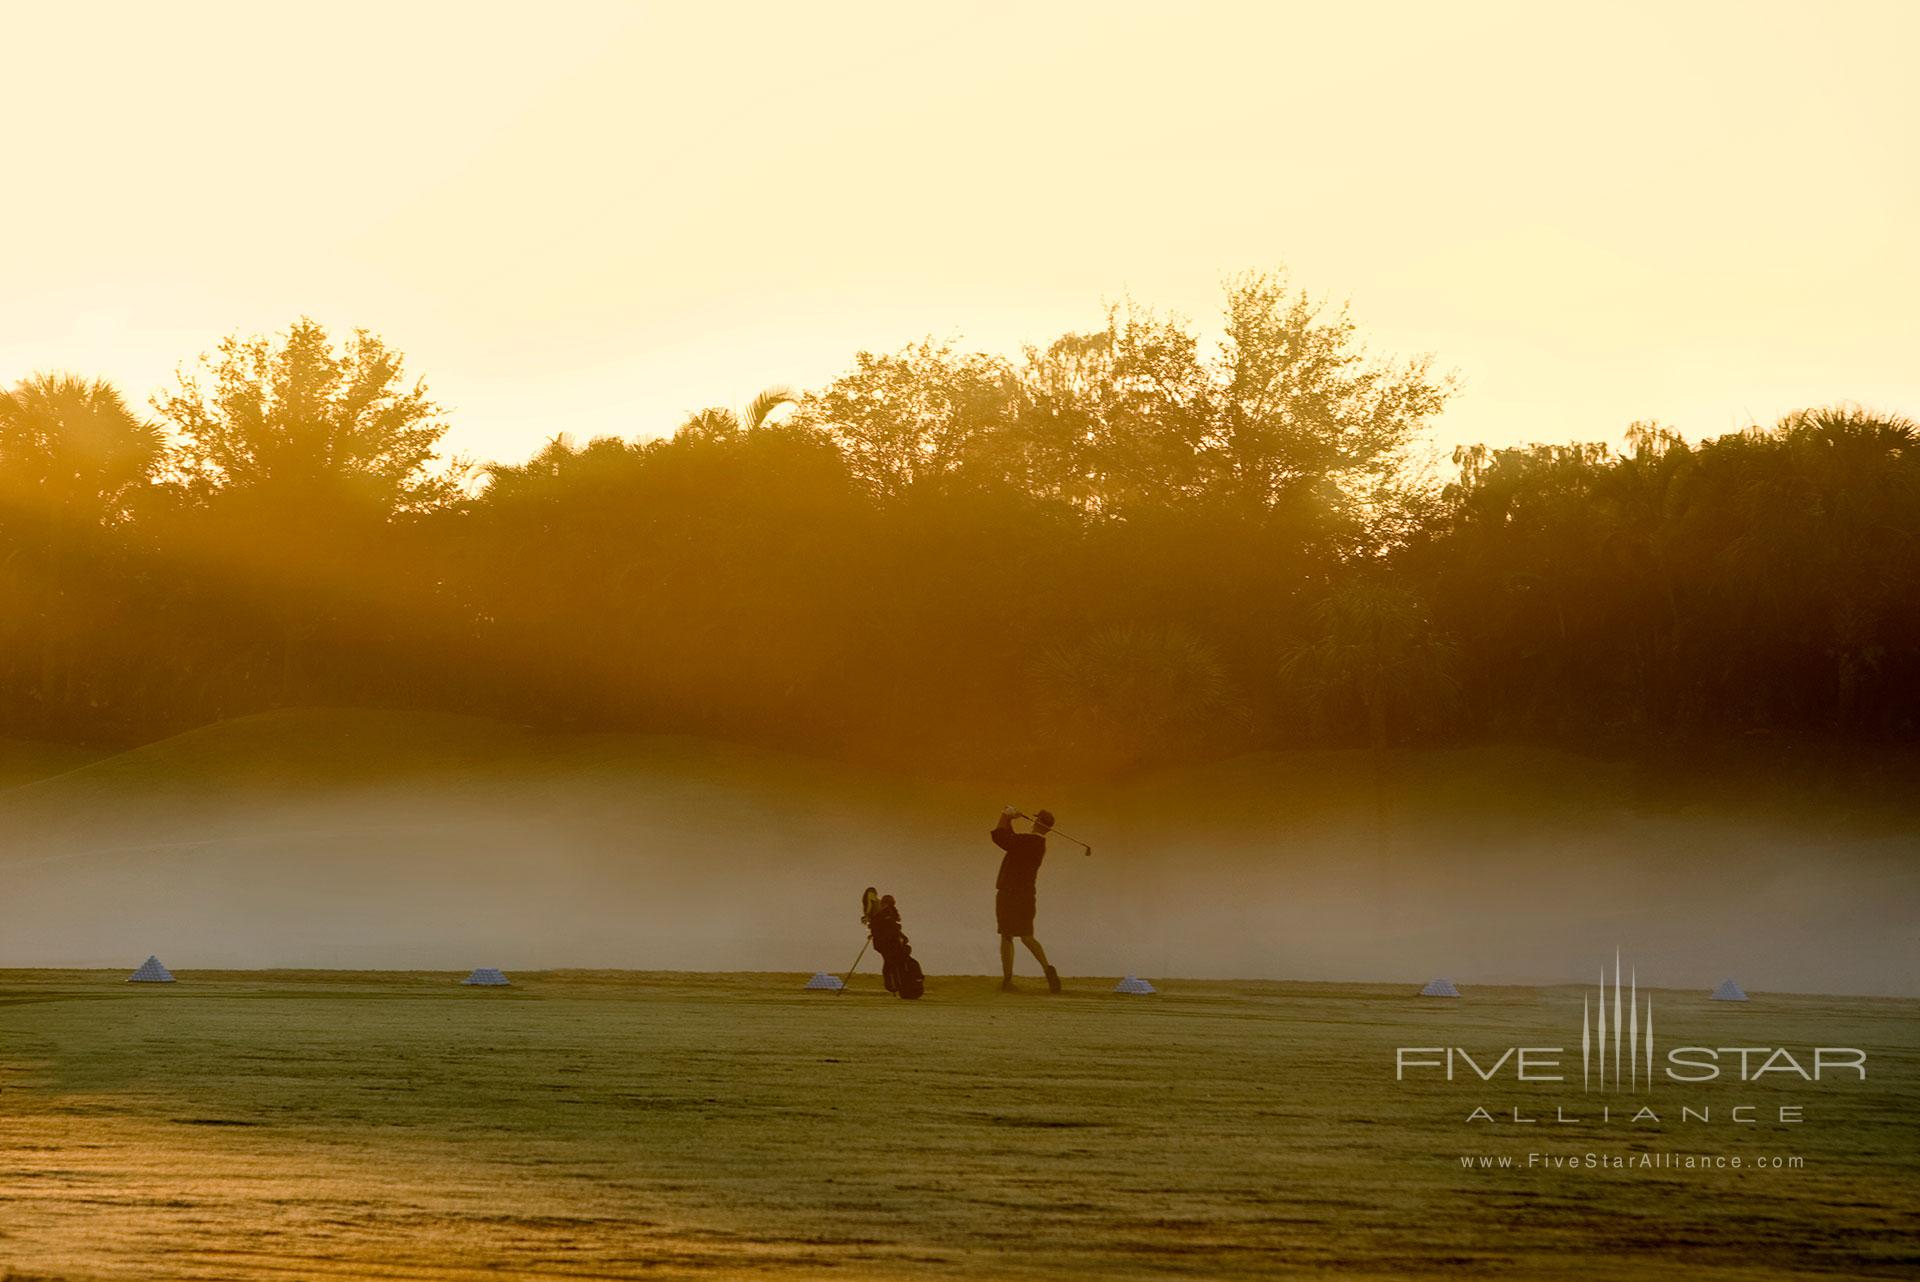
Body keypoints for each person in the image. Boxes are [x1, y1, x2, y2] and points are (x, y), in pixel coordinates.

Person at [991, 805, 1060, 992]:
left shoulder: (1030, 841)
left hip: (1010, 894)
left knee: (1007, 936)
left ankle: (1007, 981)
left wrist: (1005, 815)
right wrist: (1010, 820)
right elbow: (1010, 840)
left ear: (1038, 823)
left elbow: (999, 836)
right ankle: (1048, 970)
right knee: (1027, 937)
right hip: (1026, 895)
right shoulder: (1035, 843)